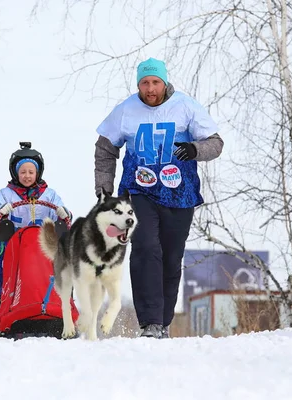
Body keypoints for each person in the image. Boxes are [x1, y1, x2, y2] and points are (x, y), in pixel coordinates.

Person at [94, 58, 224, 338]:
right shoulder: (126, 111)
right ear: (138, 85)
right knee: (145, 248)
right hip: (138, 191)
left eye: (155, 82)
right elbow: (105, 149)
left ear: (164, 83)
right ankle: (150, 322)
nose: (150, 89)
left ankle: (163, 322)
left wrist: (194, 149)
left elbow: (215, 144)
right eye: (144, 83)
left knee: (170, 256)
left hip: (180, 193)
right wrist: (104, 189)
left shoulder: (186, 107)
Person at [0, 142, 71, 336]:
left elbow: (64, 221)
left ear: (38, 173)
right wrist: (0, 214)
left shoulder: (50, 195)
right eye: (23, 172)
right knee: (1, 291)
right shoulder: (6, 194)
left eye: (31, 172)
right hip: (13, 253)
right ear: (15, 173)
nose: (27, 176)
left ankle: (58, 320)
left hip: (42, 254)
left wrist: (64, 214)